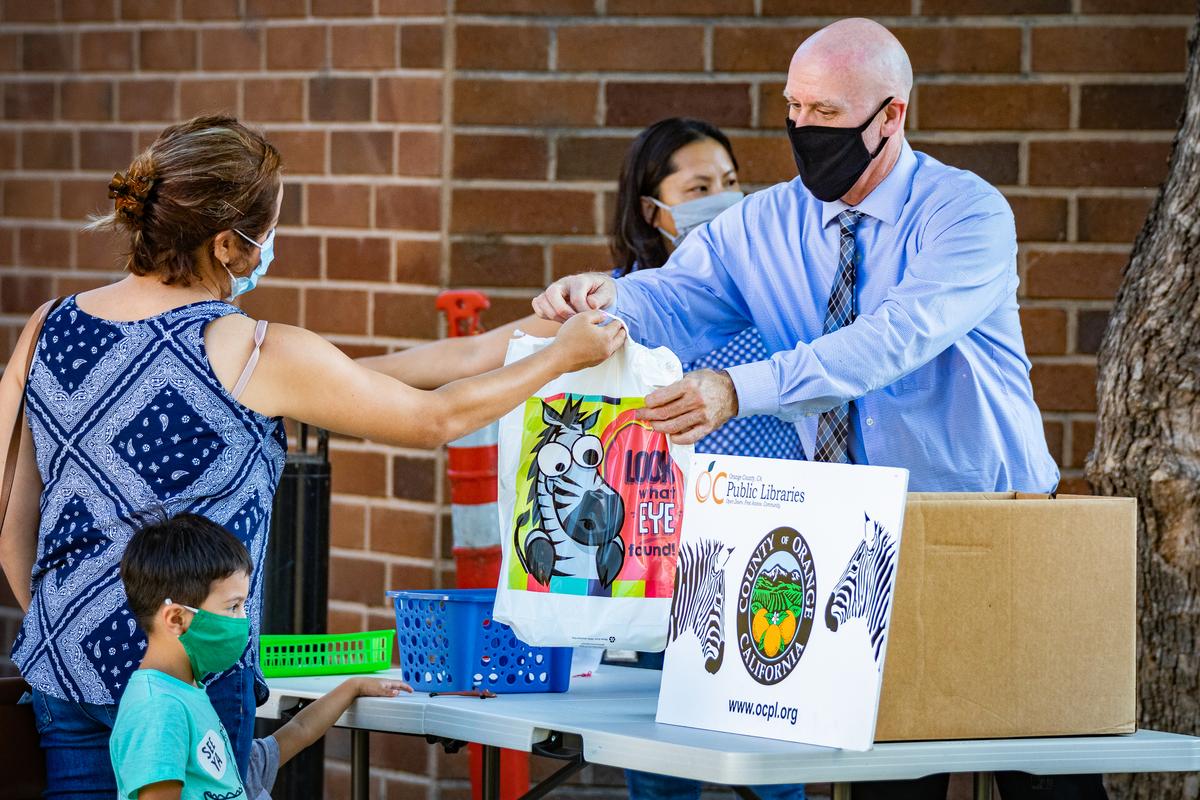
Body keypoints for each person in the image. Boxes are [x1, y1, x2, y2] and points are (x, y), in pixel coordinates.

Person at [532, 18, 1104, 800]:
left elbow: (892, 340)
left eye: (827, 113)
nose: (804, 129)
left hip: (986, 518)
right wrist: (607, 298)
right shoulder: (764, 222)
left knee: (1043, 774)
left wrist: (738, 389)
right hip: (855, 536)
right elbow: (683, 295)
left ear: (891, 115)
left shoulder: (964, 213)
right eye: (793, 108)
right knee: (884, 780)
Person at [0, 115, 623, 798]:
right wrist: (562, 357)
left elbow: (11, 527)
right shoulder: (251, 348)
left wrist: (69, 631)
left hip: (63, 666)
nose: (272, 248)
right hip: (194, 678)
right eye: (268, 232)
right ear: (227, 245)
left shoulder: (47, 326)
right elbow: (433, 418)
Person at [110, 512, 410, 800]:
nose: (244, 621)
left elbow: (297, 733)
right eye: (233, 607)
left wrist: (353, 687)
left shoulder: (187, 692)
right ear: (176, 619)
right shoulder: (158, 709)